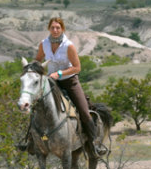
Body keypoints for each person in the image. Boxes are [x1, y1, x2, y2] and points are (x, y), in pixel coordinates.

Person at [34, 17, 107, 157]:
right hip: (51, 82)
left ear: (62, 29)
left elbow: (77, 67)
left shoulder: (68, 46)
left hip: (70, 82)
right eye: (52, 27)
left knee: (84, 111)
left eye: (58, 27)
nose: (55, 30)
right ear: (49, 29)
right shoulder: (44, 44)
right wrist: (32, 68)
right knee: (36, 106)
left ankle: (95, 143)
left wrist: (60, 73)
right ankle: (30, 141)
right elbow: (38, 60)